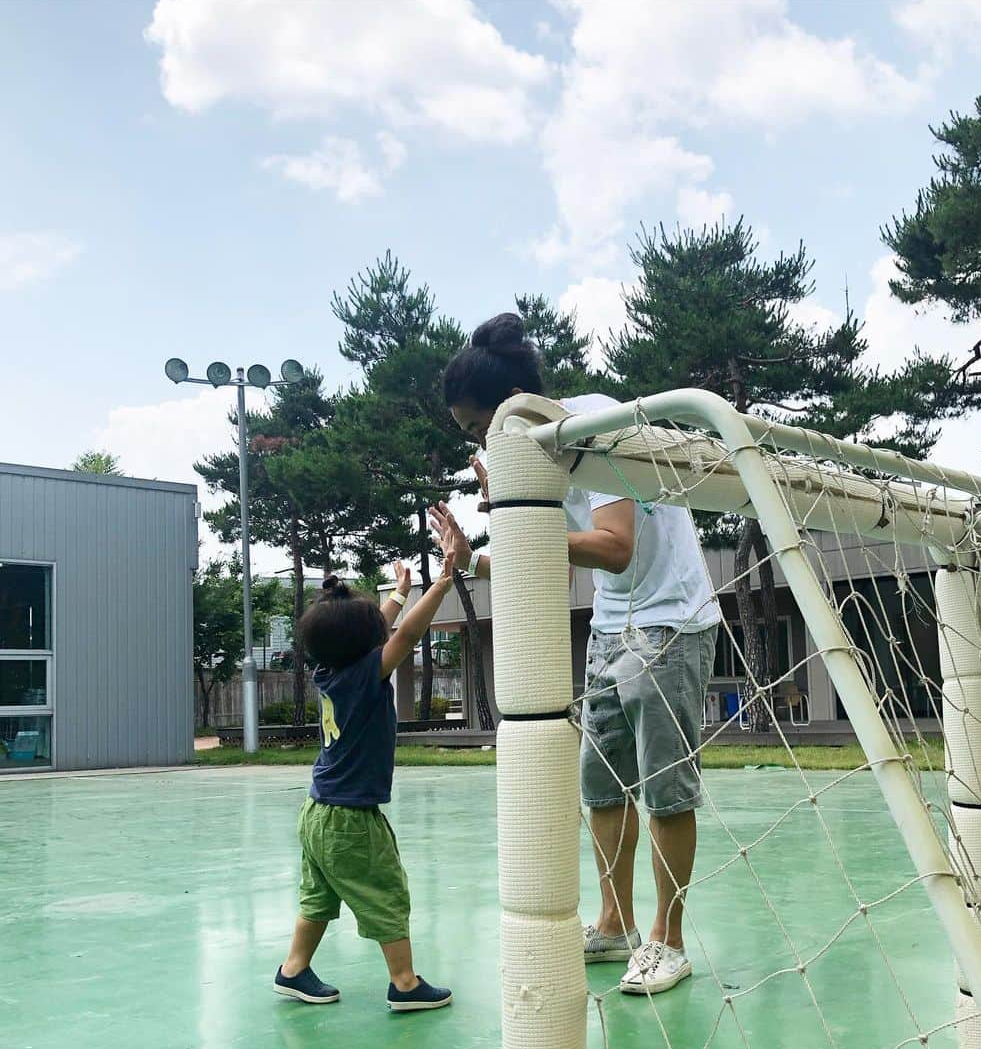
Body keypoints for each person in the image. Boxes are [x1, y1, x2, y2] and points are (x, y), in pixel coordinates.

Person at [429, 312, 720, 996]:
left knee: (664, 787)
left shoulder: (590, 423)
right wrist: (481, 554)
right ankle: (614, 922)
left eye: (479, 427)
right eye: (473, 435)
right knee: (601, 782)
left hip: (671, 621)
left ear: (510, 404)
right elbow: (555, 570)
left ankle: (667, 940)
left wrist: (518, 523)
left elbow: (614, 545)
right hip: (613, 626)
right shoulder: (537, 457)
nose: (483, 442)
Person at [273, 551, 456, 1013]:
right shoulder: (364, 674)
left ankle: (293, 970)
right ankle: (404, 982)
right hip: (350, 819)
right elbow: (408, 634)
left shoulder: (327, 669)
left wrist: (398, 592)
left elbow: (379, 627)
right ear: (367, 643)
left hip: (317, 812)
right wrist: (442, 584)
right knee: (385, 889)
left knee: (318, 896)